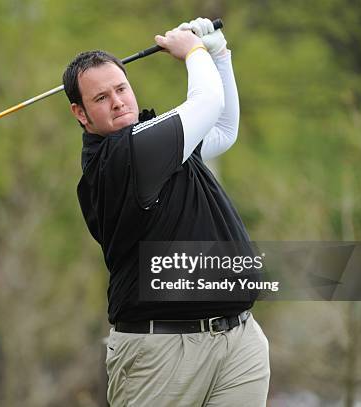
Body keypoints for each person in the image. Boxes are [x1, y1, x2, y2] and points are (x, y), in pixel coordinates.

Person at [62, 17, 270, 406]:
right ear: (80, 113)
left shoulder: (155, 140)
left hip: (239, 339)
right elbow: (208, 103)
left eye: (121, 88)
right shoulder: (124, 155)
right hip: (161, 351)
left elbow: (222, 130)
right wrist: (191, 50)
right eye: (101, 98)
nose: (118, 101)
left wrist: (218, 53)